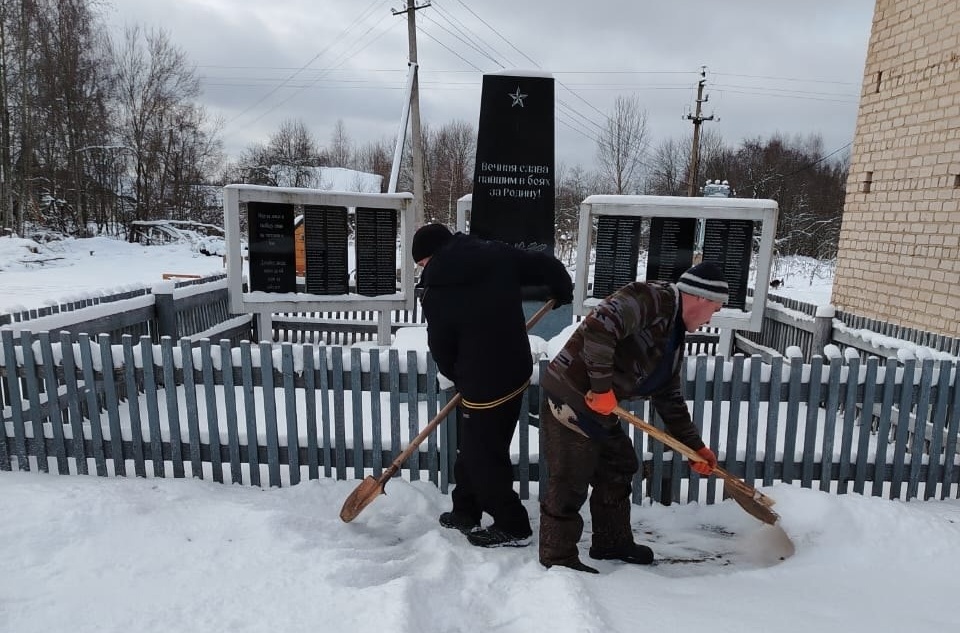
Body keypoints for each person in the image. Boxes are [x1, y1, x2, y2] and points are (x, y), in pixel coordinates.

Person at [538, 261, 727, 573]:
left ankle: (611, 541)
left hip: (601, 404)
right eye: (715, 309)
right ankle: (557, 557)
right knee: (571, 475)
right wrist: (600, 386)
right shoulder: (650, 298)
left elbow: (668, 396)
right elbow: (600, 326)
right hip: (573, 395)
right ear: (701, 299)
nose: (712, 318)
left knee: (619, 464)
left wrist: (694, 447)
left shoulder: (674, 334)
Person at [412, 223, 573, 548]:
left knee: (482, 455)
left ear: (428, 257)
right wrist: (562, 288)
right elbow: (544, 264)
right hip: (515, 370)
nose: (422, 270)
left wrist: (458, 376)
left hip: (484, 383)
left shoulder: (435, 291)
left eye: (421, 264)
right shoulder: (495, 254)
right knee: (478, 445)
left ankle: (512, 524)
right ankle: (465, 511)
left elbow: (442, 346)